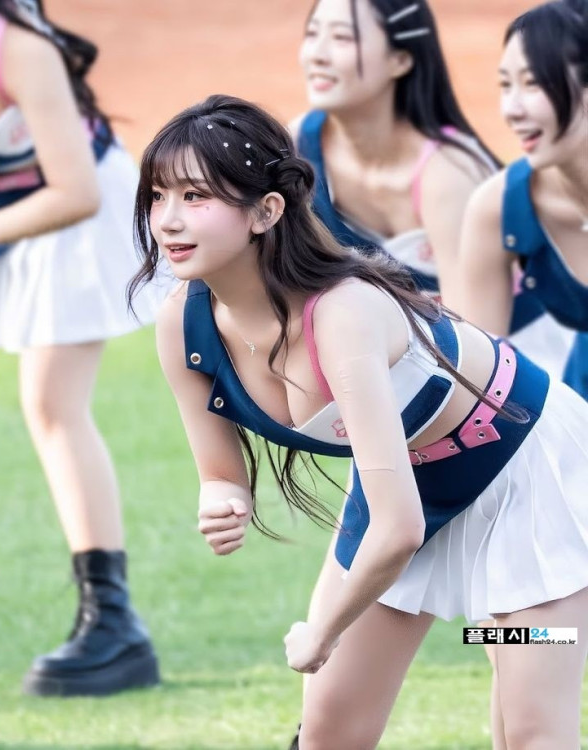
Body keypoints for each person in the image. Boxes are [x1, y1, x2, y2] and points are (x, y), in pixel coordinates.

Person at [131, 94, 588, 749]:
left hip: (533, 478)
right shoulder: (183, 325)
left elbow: (398, 530)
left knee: (531, 731)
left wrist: (322, 631)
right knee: (330, 732)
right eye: (157, 196)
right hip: (406, 479)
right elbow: (220, 473)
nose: (168, 219)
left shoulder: (344, 314)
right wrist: (222, 498)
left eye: (196, 196)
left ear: (266, 211)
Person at [0, 0, 161, 696]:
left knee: (53, 404)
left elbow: (76, 192)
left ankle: (112, 621)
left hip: (66, 220)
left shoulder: (17, 46)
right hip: (6, 212)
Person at [292, 0, 576, 380]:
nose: (317, 54)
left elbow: (477, 350)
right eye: (312, 34)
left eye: (343, 38)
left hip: (524, 367)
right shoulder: (301, 146)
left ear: (401, 60)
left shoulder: (448, 173)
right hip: (412, 363)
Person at [457, 0, 588, 400]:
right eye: (505, 85)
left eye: (533, 83)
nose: (511, 110)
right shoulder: (499, 207)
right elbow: (476, 382)